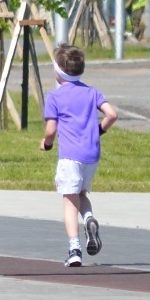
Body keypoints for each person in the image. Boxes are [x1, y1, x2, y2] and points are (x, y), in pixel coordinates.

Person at [40, 44, 119, 268]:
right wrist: (99, 130)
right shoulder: (92, 92)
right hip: (91, 155)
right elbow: (112, 114)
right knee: (81, 193)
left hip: (70, 156)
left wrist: (46, 144)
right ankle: (89, 218)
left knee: (69, 201)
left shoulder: (54, 97)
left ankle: (74, 250)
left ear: (58, 70)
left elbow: (50, 130)